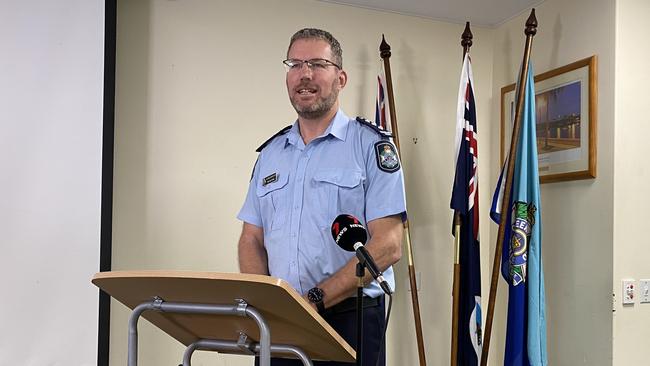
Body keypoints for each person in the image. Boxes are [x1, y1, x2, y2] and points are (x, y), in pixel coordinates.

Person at [237, 28, 406, 366]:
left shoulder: (371, 147)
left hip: (350, 318)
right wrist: (268, 302)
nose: (305, 74)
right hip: (281, 322)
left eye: (317, 63)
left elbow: (388, 244)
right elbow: (251, 239)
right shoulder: (270, 155)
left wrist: (316, 298)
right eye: (296, 64)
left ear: (340, 78)